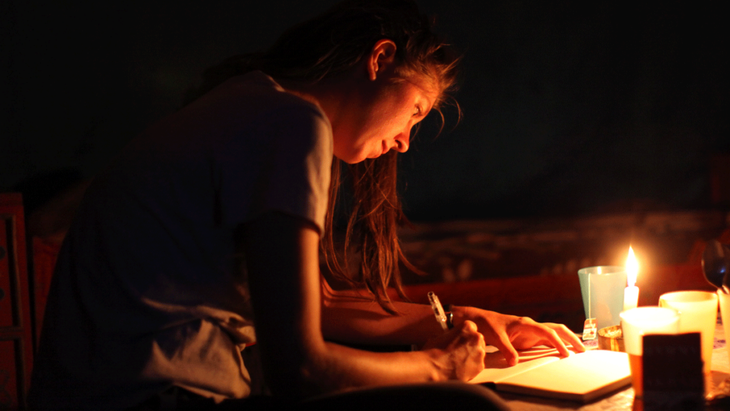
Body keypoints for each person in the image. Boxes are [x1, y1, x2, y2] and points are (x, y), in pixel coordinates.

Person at [28, 1, 584, 410]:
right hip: (160, 398)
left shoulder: (245, 104)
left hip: (95, 396)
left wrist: (449, 321)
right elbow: (300, 366)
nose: (404, 141)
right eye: (415, 110)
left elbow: (309, 304)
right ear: (380, 59)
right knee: (473, 407)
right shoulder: (291, 122)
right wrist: (437, 367)